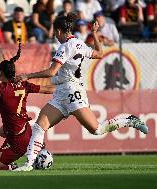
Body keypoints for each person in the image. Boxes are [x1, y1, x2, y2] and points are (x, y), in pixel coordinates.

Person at [14, 13, 149, 171]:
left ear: (58, 31)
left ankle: (129, 120)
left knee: (97, 129)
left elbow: (51, 72)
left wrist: (26, 76)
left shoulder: (65, 47)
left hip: (72, 92)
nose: (55, 36)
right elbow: (99, 53)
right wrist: (94, 34)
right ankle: (29, 164)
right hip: (62, 93)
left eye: (54, 33)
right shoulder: (78, 43)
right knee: (39, 126)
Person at [0, 41, 55, 170]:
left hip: (17, 141)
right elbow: (48, 89)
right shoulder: (24, 84)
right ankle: (33, 144)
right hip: (25, 129)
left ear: (0, 73)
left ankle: (10, 166)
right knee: (1, 131)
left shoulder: (1, 88)